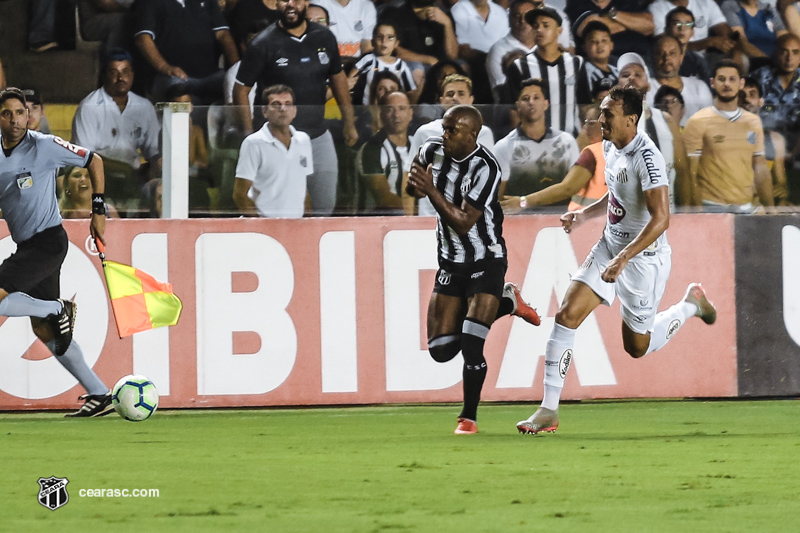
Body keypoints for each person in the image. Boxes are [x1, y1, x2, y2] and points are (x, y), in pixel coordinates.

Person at [516, 85, 717, 435]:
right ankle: (548, 410)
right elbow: (618, 195)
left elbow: (661, 219)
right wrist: (582, 216)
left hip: (643, 260)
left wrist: (624, 258)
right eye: (601, 111)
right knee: (566, 315)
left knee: (636, 346)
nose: (600, 118)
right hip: (610, 247)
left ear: (631, 119)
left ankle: (689, 304)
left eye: (608, 113)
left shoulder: (649, 158)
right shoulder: (610, 146)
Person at [405, 104, 541, 434]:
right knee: (440, 350)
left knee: (471, 343)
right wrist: (414, 181)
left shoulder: (486, 167)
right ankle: (507, 302)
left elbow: (465, 222)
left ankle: (468, 418)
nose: (445, 134)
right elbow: (412, 188)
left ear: (472, 135)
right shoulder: (431, 149)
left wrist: (430, 189)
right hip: (450, 260)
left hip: (486, 258)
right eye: (444, 127)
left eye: (452, 130)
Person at [0, 88, 113, 417]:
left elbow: (94, 160)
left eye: (20, 112)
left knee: (45, 314)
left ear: (30, 115)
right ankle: (99, 392)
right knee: (45, 329)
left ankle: (55, 306)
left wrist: (99, 210)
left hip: (48, 242)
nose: (16, 119)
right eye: (7, 113)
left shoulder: (45, 146)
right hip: (28, 245)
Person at [234, 0, 359, 217]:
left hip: (318, 135)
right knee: (279, 207)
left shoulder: (324, 37)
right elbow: (240, 89)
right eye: (284, 0)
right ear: (276, 4)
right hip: (277, 140)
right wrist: (249, 131)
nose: (290, 4)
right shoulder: (263, 43)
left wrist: (349, 122)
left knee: (324, 206)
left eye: (297, 0)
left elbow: (337, 78)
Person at [71, 49, 161, 216]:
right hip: (99, 175)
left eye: (126, 72)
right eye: (114, 72)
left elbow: (154, 151)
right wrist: (125, 170)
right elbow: (84, 156)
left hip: (134, 177)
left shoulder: (144, 106)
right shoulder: (89, 106)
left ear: (132, 75)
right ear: (104, 76)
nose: (121, 78)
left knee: (161, 187)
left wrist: (155, 165)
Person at [683, 60, 774, 212]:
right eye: (721, 79)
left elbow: (760, 166)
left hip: (746, 208)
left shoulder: (753, 122)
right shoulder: (697, 121)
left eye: (732, 79)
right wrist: (697, 210)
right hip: (710, 207)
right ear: (712, 83)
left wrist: (770, 208)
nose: (727, 84)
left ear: (741, 83)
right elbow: (690, 172)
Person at [407, 74, 496, 216]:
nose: (455, 97)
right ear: (441, 101)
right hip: (431, 218)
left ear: (471, 100)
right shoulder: (424, 132)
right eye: (450, 94)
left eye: (461, 93)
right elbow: (410, 176)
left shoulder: (484, 134)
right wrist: (408, 220)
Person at [617, 52, 692, 207]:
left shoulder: (666, 120)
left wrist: (686, 212)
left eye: (638, 74)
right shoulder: (608, 122)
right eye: (625, 75)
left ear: (648, 85)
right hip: (626, 217)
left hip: (665, 213)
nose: (631, 78)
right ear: (618, 86)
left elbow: (683, 172)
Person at [501, 104, 604, 214]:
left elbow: (567, 189)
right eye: (585, 122)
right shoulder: (619, 151)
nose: (585, 127)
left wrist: (523, 202)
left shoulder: (593, 153)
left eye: (591, 123)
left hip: (587, 221)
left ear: (604, 123)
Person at [494, 79, 580, 208]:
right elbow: (498, 198)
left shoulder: (566, 141)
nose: (531, 102)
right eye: (525, 98)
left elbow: (575, 187)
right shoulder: (504, 147)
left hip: (561, 218)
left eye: (536, 98)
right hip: (522, 221)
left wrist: (523, 202)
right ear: (518, 106)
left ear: (546, 104)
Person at [134, 0, 239, 102]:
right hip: (172, 75)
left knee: (238, 85)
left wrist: (236, 67)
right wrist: (165, 67)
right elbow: (143, 39)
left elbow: (223, 34)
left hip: (211, 75)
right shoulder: (149, 2)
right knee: (178, 91)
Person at [233, 85, 314, 218]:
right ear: (265, 111)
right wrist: (261, 226)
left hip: (296, 227)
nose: (282, 109)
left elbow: (303, 190)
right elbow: (239, 195)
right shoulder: (253, 143)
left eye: (288, 104)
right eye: (276, 104)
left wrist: (307, 223)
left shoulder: (303, 140)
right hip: (264, 229)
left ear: (295, 111)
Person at [505, 7, 583, 135]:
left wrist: (584, 137)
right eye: (535, 26)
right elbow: (514, 110)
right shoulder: (519, 66)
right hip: (533, 141)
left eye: (545, 25)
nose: (539, 30)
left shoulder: (576, 63)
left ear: (559, 31)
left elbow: (584, 106)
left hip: (571, 141)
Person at [487, 0, 574, 103]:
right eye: (517, 16)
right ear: (510, 20)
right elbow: (504, 92)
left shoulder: (548, 45)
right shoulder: (498, 50)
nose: (522, 20)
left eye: (527, 16)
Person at [355, 91, 414, 215]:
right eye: (389, 110)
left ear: (411, 114)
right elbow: (384, 199)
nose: (396, 115)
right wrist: (418, 216)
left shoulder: (418, 145)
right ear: (381, 115)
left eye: (402, 109)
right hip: (376, 222)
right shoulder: (371, 149)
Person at [741, 76, 792, 205]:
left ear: (761, 101)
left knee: (786, 205)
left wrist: (781, 189)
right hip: (736, 202)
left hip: (761, 203)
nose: (746, 99)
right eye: (741, 96)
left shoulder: (776, 140)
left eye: (752, 94)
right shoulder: (725, 137)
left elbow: (781, 182)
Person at [646, 35, 712, 127]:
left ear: (681, 58)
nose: (667, 58)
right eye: (661, 53)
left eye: (672, 53)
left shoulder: (699, 87)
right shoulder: (645, 89)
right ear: (653, 57)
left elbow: (708, 124)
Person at [751, 33, 800, 155]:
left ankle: (793, 157)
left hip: (795, 138)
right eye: (784, 52)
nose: (789, 58)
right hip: (765, 137)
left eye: (795, 52)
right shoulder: (760, 78)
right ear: (776, 53)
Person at [351, 22, 418, 106]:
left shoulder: (401, 67)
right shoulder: (368, 60)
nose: (384, 41)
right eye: (379, 37)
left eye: (390, 37)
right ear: (372, 41)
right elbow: (348, 81)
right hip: (366, 111)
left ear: (396, 43)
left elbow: (411, 92)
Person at [378, 0, 458, 69]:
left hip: (440, 67)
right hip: (410, 66)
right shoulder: (394, 12)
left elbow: (452, 56)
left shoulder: (444, 14)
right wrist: (428, 59)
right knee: (417, 68)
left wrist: (447, 24)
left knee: (461, 64)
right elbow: (391, 50)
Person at [567, 0, 654, 60]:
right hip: (605, 62)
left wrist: (613, 14)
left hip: (641, 57)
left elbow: (649, 26)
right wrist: (632, 24)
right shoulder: (577, 3)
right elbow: (593, 29)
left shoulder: (626, 2)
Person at [575, 21, 618, 112]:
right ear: (584, 47)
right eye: (593, 41)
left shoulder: (618, 71)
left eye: (604, 40)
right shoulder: (583, 72)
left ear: (611, 45)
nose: (600, 45)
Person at [721, 0, 787, 60]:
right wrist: (766, 61)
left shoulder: (768, 8)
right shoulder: (731, 5)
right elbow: (741, 42)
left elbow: (785, 38)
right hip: (753, 59)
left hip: (776, 60)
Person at [313, 0, 377, 61]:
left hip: (355, 65)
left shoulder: (366, 6)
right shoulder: (317, 4)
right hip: (326, 65)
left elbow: (367, 46)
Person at [664, 6, 711, 80]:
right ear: (666, 30)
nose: (682, 28)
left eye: (688, 24)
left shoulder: (698, 61)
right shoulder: (655, 57)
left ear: (692, 32)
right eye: (677, 24)